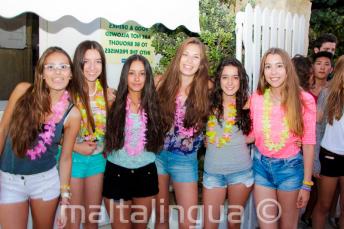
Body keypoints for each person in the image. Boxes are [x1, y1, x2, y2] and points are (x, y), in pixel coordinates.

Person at [0, 47, 81, 229]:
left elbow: (66, 158)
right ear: (42, 73)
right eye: (50, 67)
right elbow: (2, 130)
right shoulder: (22, 91)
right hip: (9, 180)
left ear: (71, 74)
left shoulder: (72, 114)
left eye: (63, 66)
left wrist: (65, 196)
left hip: (45, 182)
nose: (58, 72)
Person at [250, 48, 316, 228]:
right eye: (268, 67)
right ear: (263, 71)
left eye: (279, 66)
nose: (273, 72)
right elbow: (251, 133)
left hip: (290, 170)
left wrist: (307, 184)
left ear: (288, 69)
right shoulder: (257, 98)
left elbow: (309, 143)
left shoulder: (304, 99)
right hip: (261, 167)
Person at [102, 54, 164, 229]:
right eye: (132, 73)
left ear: (147, 76)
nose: (137, 78)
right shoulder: (112, 102)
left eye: (142, 73)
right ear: (125, 76)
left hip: (146, 174)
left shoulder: (155, 104)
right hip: (116, 174)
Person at [155, 37, 210, 229]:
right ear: (178, 57)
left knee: (188, 222)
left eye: (196, 57)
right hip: (158, 157)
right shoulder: (161, 83)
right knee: (161, 217)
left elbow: (232, 104)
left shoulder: (207, 89)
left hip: (186, 161)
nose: (189, 61)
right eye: (185, 55)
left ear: (201, 63)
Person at [65, 40, 114, 229]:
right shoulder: (68, 95)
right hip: (73, 160)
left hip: (97, 162)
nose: (93, 67)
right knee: (73, 220)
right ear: (79, 63)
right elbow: (51, 134)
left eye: (98, 61)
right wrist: (77, 146)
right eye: (87, 61)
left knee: (92, 220)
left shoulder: (108, 95)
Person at [202, 58, 253, 229]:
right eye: (225, 77)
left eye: (235, 77)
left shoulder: (249, 104)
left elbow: (262, 130)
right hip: (213, 173)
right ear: (218, 80)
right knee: (209, 225)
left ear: (241, 80)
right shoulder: (208, 103)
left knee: (234, 223)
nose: (230, 82)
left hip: (241, 173)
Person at [312, 55, 344, 229]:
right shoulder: (327, 93)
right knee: (323, 205)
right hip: (329, 156)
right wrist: (315, 161)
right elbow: (318, 129)